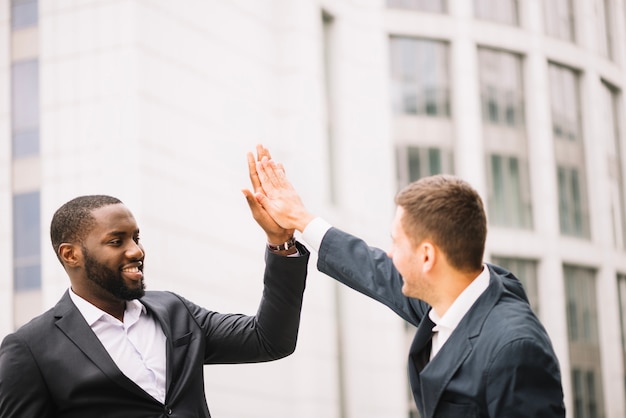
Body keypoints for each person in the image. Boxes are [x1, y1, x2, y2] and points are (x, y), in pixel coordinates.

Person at [244, 145, 565, 417]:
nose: (390, 253)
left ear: (427, 257)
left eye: (396, 243)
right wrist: (300, 219)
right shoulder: (454, 294)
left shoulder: (515, 349)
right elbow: (373, 268)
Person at [0, 193, 309, 418]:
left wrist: (280, 244)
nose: (136, 251)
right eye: (116, 241)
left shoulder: (174, 311)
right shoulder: (30, 349)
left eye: (136, 238)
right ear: (71, 255)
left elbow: (268, 340)